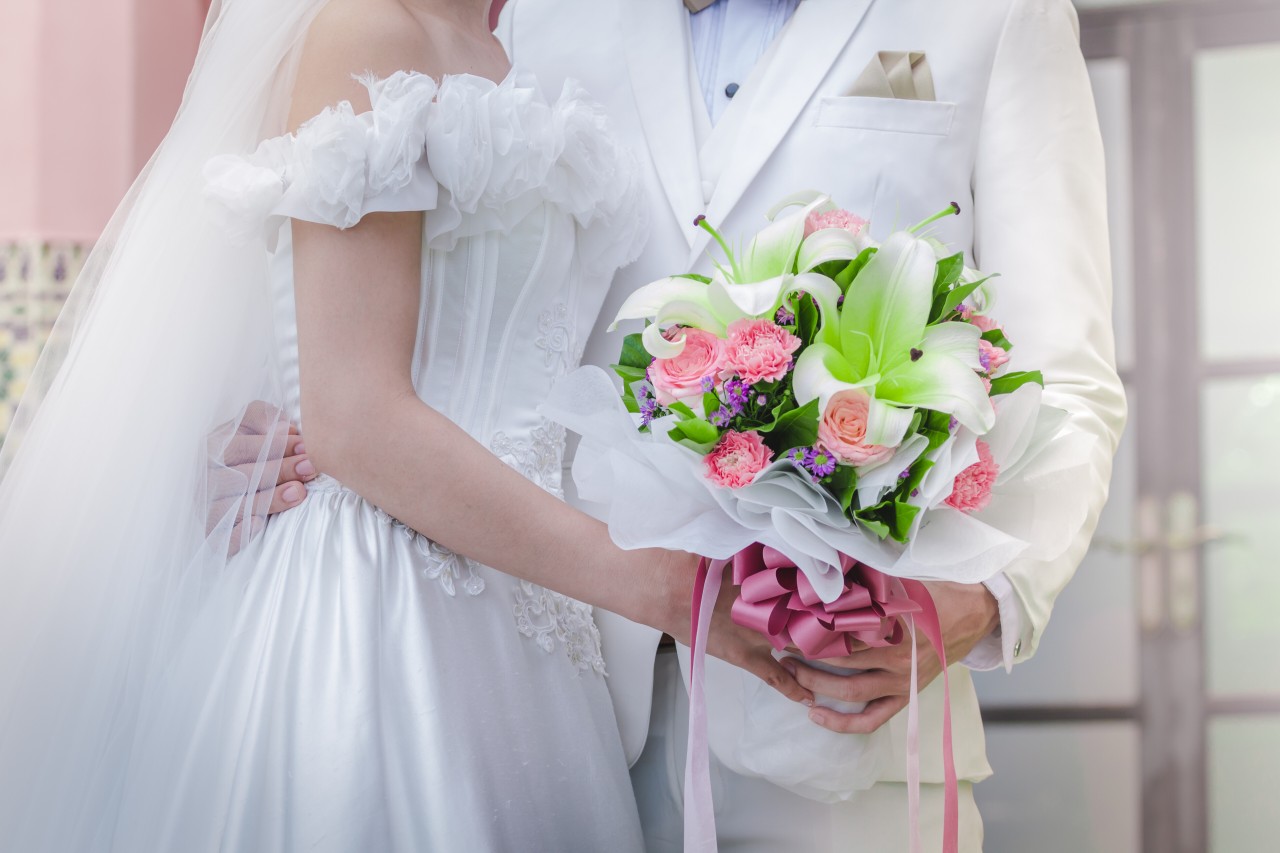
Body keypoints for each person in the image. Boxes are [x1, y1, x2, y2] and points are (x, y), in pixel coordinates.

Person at [0, 0, 809, 850]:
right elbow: (354, 418)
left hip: (530, 618)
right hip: (378, 611)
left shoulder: (508, 44)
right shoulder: (363, 30)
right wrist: (658, 584)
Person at [488, 0, 1129, 850]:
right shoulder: (538, 19)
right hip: (555, 717)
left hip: (845, 724)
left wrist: (991, 595)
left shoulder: (996, 14)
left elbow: (1068, 375)